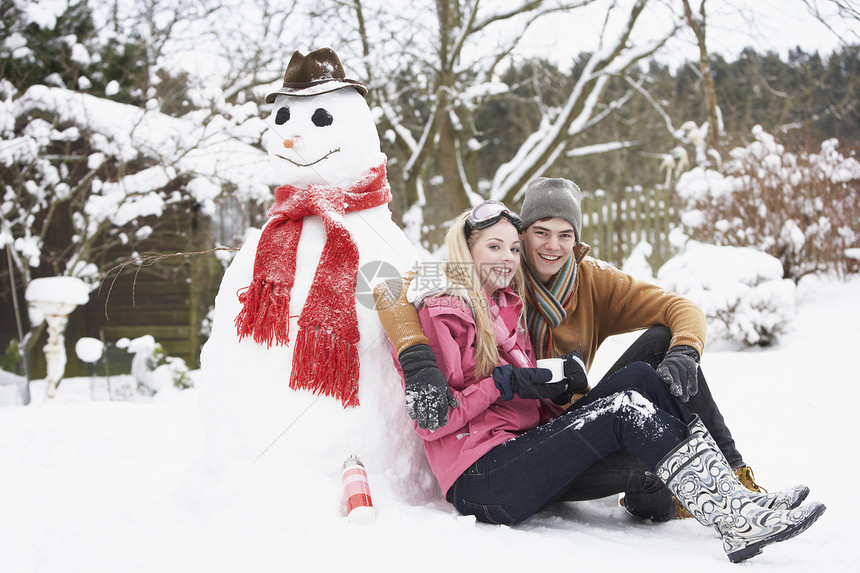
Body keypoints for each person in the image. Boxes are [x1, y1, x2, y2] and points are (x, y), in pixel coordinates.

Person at [389, 200, 824, 563]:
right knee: (623, 409)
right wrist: (504, 384)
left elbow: (517, 391)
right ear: (466, 250)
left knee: (640, 376)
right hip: (480, 478)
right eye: (494, 246)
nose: (508, 257)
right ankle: (732, 517)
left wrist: (550, 386)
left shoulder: (505, 302)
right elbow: (434, 419)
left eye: (513, 248)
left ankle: (734, 495)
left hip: (523, 450)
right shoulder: (441, 308)